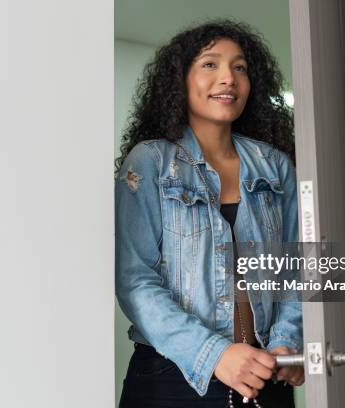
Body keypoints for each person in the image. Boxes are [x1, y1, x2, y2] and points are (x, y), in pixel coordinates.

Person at [115, 19, 304, 408]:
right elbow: (136, 281)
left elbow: (298, 265)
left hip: (263, 372)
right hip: (171, 375)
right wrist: (215, 354)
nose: (228, 78)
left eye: (240, 68)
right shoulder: (150, 162)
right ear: (180, 80)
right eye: (210, 65)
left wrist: (287, 339)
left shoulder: (275, 166)